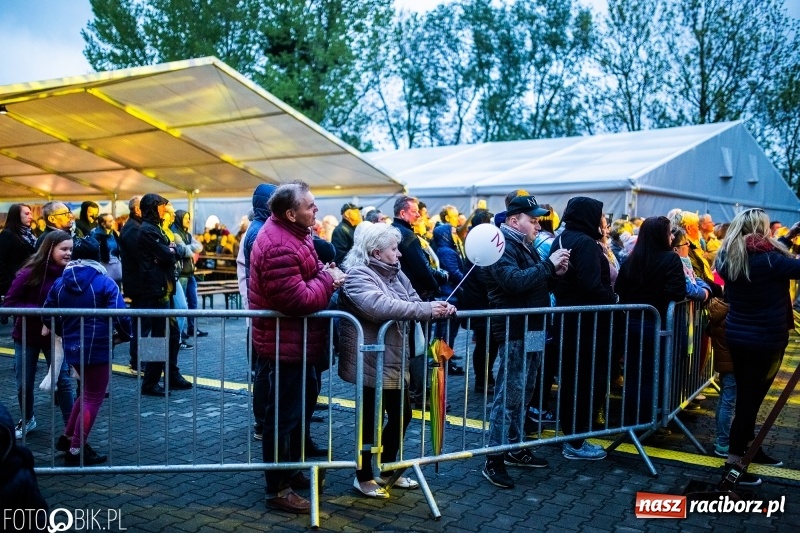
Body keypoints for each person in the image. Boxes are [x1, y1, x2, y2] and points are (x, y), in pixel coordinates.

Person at [338, 223, 455, 498]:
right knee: (370, 420)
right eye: (393, 249)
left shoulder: (396, 273)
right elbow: (379, 306)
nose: (399, 254)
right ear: (377, 252)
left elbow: (412, 299)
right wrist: (425, 309)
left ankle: (388, 469)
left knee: (403, 414)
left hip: (394, 359)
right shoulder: (357, 276)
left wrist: (438, 307)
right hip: (370, 360)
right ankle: (363, 476)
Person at [249, 181, 345, 514]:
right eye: (310, 205)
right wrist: (329, 280)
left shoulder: (292, 233)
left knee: (293, 416)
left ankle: (288, 473)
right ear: (291, 212)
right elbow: (297, 300)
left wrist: (322, 273)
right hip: (286, 343)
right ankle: (278, 489)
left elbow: (308, 272)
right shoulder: (278, 243)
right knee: (283, 418)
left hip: (297, 342)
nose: (316, 210)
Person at [481, 195, 569, 489]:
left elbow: (532, 282)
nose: (537, 224)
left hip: (530, 328)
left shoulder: (522, 243)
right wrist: (548, 267)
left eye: (537, 219)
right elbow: (513, 281)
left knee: (525, 390)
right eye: (532, 219)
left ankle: (514, 447)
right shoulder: (501, 244)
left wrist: (554, 274)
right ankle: (493, 459)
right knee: (508, 395)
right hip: (513, 329)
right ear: (513, 219)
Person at [716, 209, 800, 486]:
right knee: (749, 403)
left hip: (739, 337)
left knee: (747, 399)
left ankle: (749, 449)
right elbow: (788, 264)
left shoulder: (730, 256)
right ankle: (734, 463)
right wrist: (788, 239)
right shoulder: (768, 261)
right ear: (761, 230)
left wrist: (790, 236)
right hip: (765, 341)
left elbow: (775, 256)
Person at [44, 239, 132, 465]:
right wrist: (125, 335)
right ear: (99, 257)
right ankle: (76, 451)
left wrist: (63, 331)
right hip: (98, 345)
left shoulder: (60, 283)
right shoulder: (105, 282)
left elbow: (46, 313)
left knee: (85, 393)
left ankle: (67, 438)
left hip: (72, 346)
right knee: (93, 396)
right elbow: (120, 315)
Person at [549, 196, 616, 461]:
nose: (603, 221)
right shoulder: (586, 243)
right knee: (584, 381)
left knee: (572, 380)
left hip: (569, 320)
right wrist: (615, 300)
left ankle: (571, 437)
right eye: (599, 215)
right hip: (585, 324)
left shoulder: (562, 238)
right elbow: (591, 286)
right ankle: (575, 442)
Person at [615, 217, 694, 425]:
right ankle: (648, 423)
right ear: (661, 235)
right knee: (652, 375)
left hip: (632, 324)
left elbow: (620, 290)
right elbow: (677, 292)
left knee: (633, 375)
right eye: (669, 233)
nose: (672, 237)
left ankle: (633, 421)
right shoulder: (670, 259)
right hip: (657, 325)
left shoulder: (633, 259)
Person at [2, 230, 75, 440]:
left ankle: (70, 429)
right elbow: (10, 303)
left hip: (58, 338)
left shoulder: (71, 272)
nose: (69, 253)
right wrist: (43, 311)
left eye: (71, 249)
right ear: (50, 249)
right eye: (64, 249)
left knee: (62, 381)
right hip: (27, 336)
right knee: (24, 382)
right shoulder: (30, 272)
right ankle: (27, 419)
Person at [136, 194, 193, 396]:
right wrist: (169, 251)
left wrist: (170, 251)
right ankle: (151, 382)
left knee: (171, 333)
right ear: (154, 207)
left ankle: (170, 374)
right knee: (158, 337)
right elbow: (168, 254)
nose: (166, 209)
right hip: (155, 290)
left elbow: (173, 251)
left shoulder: (155, 228)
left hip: (163, 287)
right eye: (162, 206)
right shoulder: (147, 230)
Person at [235, 183, 277, 441]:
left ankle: (264, 421)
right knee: (265, 368)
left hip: (259, 307)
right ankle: (263, 422)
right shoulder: (259, 231)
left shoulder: (258, 228)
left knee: (265, 367)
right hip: (263, 309)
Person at [172, 209, 207, 341]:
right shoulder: (175, 233)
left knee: (193, 302)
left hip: (190, 272)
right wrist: (190, 249)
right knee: (181, 306)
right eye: (186, 218)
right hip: (181, 274)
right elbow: (185, 251)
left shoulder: (186, 234)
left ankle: (191, 328)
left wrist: (189, 248)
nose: (188, 220)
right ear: (179, 219)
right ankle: (179, 335)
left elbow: (199, 247)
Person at [119, 196, 143, 371]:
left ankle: (145, 362)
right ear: (137, 209)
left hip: (141, 284)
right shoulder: (132, 229)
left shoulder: (136, 227)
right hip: (140, 285)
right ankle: (138, 361)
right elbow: (143, 257)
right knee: (144, 325)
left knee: (147, 325)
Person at [0, 204, 36, 299]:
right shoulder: (7, 235)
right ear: (16, 215)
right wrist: (9, 283)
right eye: (27, 214)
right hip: (14, 283)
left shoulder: (30, 234)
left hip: (28, 281)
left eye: (30, 214)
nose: (31, 217)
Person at [91, 213, 122, 286]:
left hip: (115, 267)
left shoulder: (113, 233)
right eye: (110, 221)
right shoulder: (96, 235)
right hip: (104, 266)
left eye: (113, 220)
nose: (114, 222)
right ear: (103, 224)